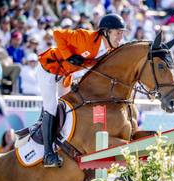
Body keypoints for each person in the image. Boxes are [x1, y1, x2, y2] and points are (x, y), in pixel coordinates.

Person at [37, 13, 126, 168]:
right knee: (51, 106)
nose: (120, 37)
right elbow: (57, 34)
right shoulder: (85, 37)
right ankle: (48, 154)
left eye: (122, 33)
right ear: (106, 32)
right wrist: (69, 55)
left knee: (70, 106)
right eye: (118, 33)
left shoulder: (109, 50)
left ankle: (65, 143)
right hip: (48, 70)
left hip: (65, 75)